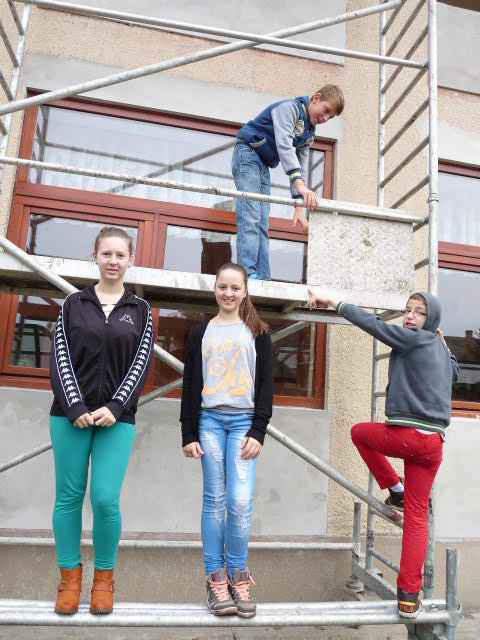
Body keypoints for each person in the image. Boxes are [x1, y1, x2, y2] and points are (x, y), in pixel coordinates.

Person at [307, 290, 459, 619]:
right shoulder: (438, 348)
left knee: (359, 433)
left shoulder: (414, 339)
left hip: (409, 437)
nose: (409, 316)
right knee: (416, 519)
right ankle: (409, 597)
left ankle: (395, 487)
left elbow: (374, 324)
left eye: (419, 312)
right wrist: (444, 343)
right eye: (407, 310)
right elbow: (455, 372)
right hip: (433, 445)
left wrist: (336, 303)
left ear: (430, 319)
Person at [49, 226, 154, 616]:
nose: (113, 261)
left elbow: (141, 363)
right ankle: (69, 578)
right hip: (69, 417)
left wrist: (115, 405)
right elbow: (59, 356)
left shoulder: (140, 310)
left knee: (105, 499)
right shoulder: (72, 304)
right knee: (68, 498)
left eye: (120, 255)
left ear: (130, 260)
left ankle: (103, 580)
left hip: (117, 419)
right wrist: (74, 406)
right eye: (106, 253)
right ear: (94, 255)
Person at [180, 262, 273, 618]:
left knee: (240, 501)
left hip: (244, 424)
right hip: (209, 422)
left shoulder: (258, 332)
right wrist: (188, 432)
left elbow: (266, 384)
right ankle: (216, 579)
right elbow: (190, 384)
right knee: (214, 499)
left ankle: (238, 575)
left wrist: (259, 430)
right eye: (223, 287)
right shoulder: (200, 332)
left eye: (235, 288)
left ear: (245, 291)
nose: (228, 293)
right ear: (214, 289)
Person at [232, 85, 344, 280]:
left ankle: (262, 275)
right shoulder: (289, 109)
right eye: (326, 110)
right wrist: (299, 185)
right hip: (248, 154)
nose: (325, 118)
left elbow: (301, 165)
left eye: (331, 117)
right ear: (316, 98)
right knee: (250, 215)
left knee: (262, 221)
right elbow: (284, 144)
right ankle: (247, 272)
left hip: (263, 164)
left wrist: (298, 206)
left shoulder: (308, 133)